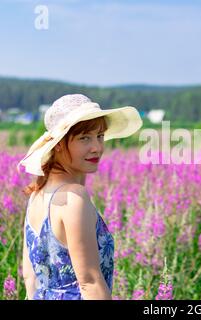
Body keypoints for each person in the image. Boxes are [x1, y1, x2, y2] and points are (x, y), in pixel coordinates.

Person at [17, 94, 142, 300]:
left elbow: (30, 277)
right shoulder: (73, 197)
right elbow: (90, 283)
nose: (97, 147)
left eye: (100, 136)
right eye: (85, 138)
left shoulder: (37, 196)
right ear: (58, 143)